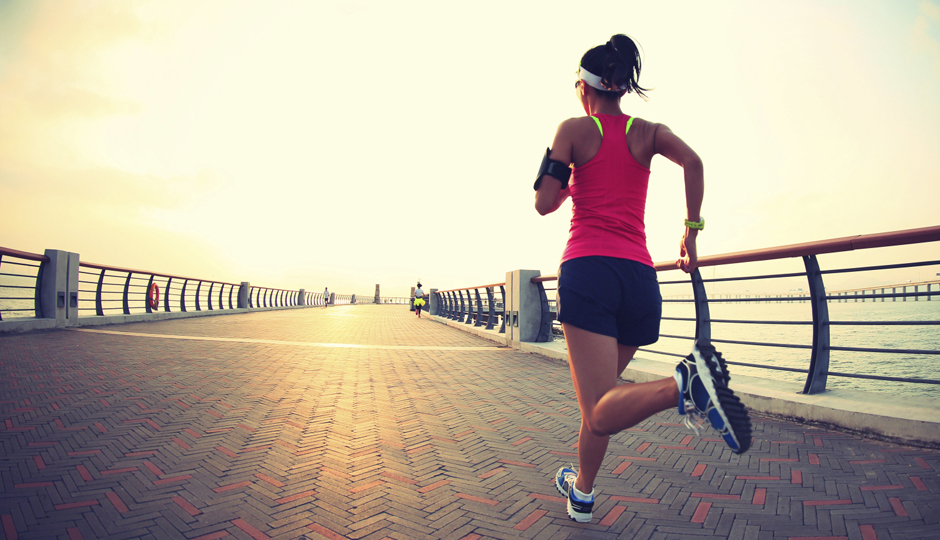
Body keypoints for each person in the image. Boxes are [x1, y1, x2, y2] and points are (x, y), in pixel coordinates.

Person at [534, 34, 751, 524]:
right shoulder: (648, 131)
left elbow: (544, 203)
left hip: (589, 272)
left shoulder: (572, 128)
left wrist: (569, 180)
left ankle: (685, 383)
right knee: (606, 401)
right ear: (620, 87)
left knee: (597, 408)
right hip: (638, 280)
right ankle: (583, 491)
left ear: (584, 88)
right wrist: (690, 234)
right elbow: (694, 162)